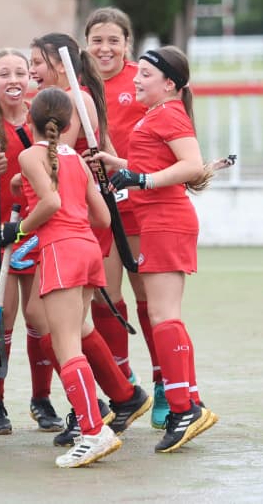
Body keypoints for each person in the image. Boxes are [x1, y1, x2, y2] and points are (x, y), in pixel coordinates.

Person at [91, 45, 219, 453]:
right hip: (158, 220)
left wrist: (141, 181)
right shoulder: (157, 114)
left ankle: (183, 408)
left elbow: (192, 165)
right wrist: (119, 164)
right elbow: (152, 162)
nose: (136, 79)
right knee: (166, 316)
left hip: (166, 220)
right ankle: (189, 401)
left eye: (146, 74)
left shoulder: (169, 113)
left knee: (163, 315)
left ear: (169, 84)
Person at [28, 33, 151, 447]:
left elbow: (57, 160)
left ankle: (94, 409)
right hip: (76, 217)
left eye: (37, 62)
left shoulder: (73, 100)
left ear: (57, 62)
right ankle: (120, 395)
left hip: (72, 221)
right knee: (63, 320)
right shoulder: (68, 99)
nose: (32, 70)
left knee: (54, 321)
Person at [0, 86, 121, 467]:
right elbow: (102, 217)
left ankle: (93, 431)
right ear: (68, 125)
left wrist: (19, 231)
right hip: (87, 249)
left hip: (61, 251)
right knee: (75, 337)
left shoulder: (29, 155)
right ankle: (93, 426)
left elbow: (51, 202)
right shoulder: (75, 160)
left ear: (30, 120)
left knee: (66, 346)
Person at [0, 48, 64, 434]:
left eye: (20, 73)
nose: (13, 80)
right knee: (3, 316)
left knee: (40, 317)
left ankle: (42, 399)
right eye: (4, 73)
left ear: (30, 78)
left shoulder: (40, 118)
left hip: (35, 226)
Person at [84, 8, 167, 426]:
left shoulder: (141, 81)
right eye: (97, 40)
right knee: (104, 296)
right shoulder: (79, 88)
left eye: (113, 40)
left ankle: (164, 381)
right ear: (85, 44)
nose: (105, 48)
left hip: (139, 206)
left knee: (149, 298)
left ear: (127, 44)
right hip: (97, 208)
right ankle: (123, 380)